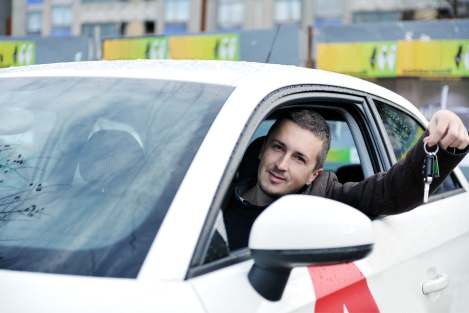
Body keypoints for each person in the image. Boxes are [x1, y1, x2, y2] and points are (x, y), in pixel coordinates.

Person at [223, 109, 469, 250]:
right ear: (261, 148)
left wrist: (443, 136)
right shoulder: (213, 192)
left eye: (299, 158)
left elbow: (393, 190)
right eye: (278, 147)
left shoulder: (328, 201)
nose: (281, 165)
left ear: (314, 174)